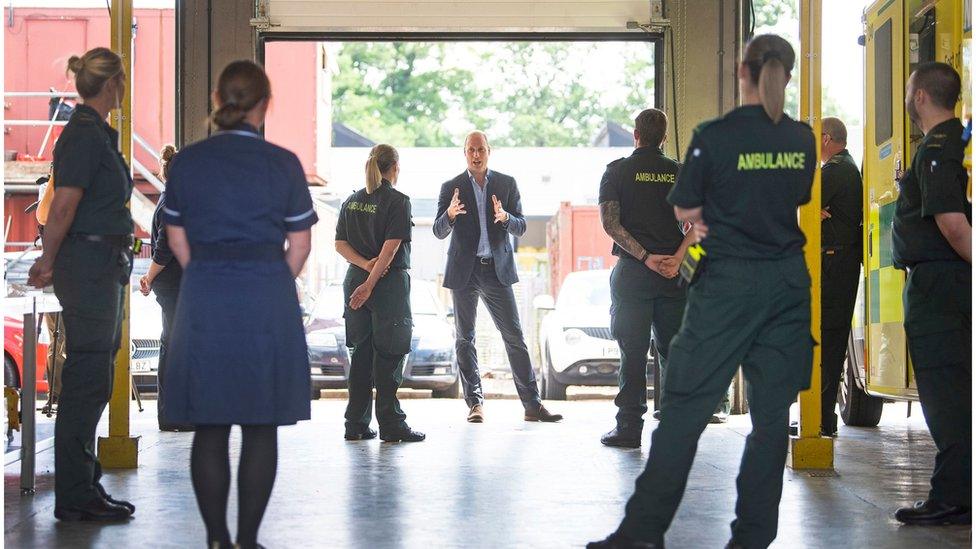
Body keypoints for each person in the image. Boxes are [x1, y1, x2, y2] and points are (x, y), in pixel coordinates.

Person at [589, 34, 816, 549]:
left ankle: (643, 533)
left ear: (743, 72)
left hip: (728, 284)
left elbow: (691, 217)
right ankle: (752, 538)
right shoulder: (802, 140)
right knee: (770, 418)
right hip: (785, 287)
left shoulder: (712, 137)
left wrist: (681, 262)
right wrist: (679, 266)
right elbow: (790, 199)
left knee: (684, 407)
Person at [160, 60, 318, 549]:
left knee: (208, 425)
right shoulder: (284, 164)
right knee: (259, 422)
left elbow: (177, 240)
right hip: (264, 299)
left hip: (204, 296)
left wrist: (209, 273)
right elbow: (301, 247)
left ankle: (216, 540)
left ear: (215, 99)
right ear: (265, 103)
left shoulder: (187, 163)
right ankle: (248, 541)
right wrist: (267, 279)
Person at [27, 47, 135, 522]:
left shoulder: (96, 134)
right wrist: (47, 260)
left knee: (95, 375)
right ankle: (74, 494)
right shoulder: (84, 136)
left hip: (102, 262)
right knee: (88, 378)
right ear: (114, 85)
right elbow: (65, 205)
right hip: (88, 264)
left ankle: (84, 485)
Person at [433, 131, 562, 424]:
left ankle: (532, 405)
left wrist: (505, 217)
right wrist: (450, 214)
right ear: (464, 153)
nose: (476, 155)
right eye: (470, 150)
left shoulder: (506, 184)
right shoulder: (450, 187)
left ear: (489, 151)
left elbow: (522, 227)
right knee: (465, 340)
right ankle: (475, 404)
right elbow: (438, 231)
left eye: (480, 149)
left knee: (514, 337)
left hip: (496, 271)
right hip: (464, 272)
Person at [891, 62, 971, 526]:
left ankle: (955, 496)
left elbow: (953, 225)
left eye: (907, 90)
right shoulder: (958, 142)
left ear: (920, 96)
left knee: (946, 390)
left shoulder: (938, 148)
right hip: (949, 279)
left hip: (939, 284)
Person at [597, 108, 694, 448]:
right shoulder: (680, 173)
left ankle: (628, 430)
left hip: (634, 275)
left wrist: (644, 257)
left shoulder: (617, 172)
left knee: (633, 353)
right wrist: (678, 258)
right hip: (673, 274)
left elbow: (611, 224)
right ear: (664, 137)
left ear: (636, 135)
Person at [334, 144, 425, 443]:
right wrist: (371, 281)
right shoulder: (398, 201)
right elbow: (391, 248)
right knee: (389, 355)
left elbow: (340, 244)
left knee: (360, 355)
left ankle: (356, 424)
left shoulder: (352, 201)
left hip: (355, 281)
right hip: (387, 288)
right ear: (395, 167)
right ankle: (391, 423)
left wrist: (362, 269)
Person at [138, 145, 193, 432]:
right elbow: (165, 247)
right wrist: (148, 277)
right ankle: (174, 416)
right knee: (175, 346)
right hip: (175, 284)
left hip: (176, 283)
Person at [817, 117, 863, 437]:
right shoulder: (844, 168)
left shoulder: (835, 170)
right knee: (829, 341)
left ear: (826, 137)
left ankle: (822, 418)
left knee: (829, 340)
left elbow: (799, 201)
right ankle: (821, 416)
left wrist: (810, 210)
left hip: (835, 264)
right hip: (838, 263)